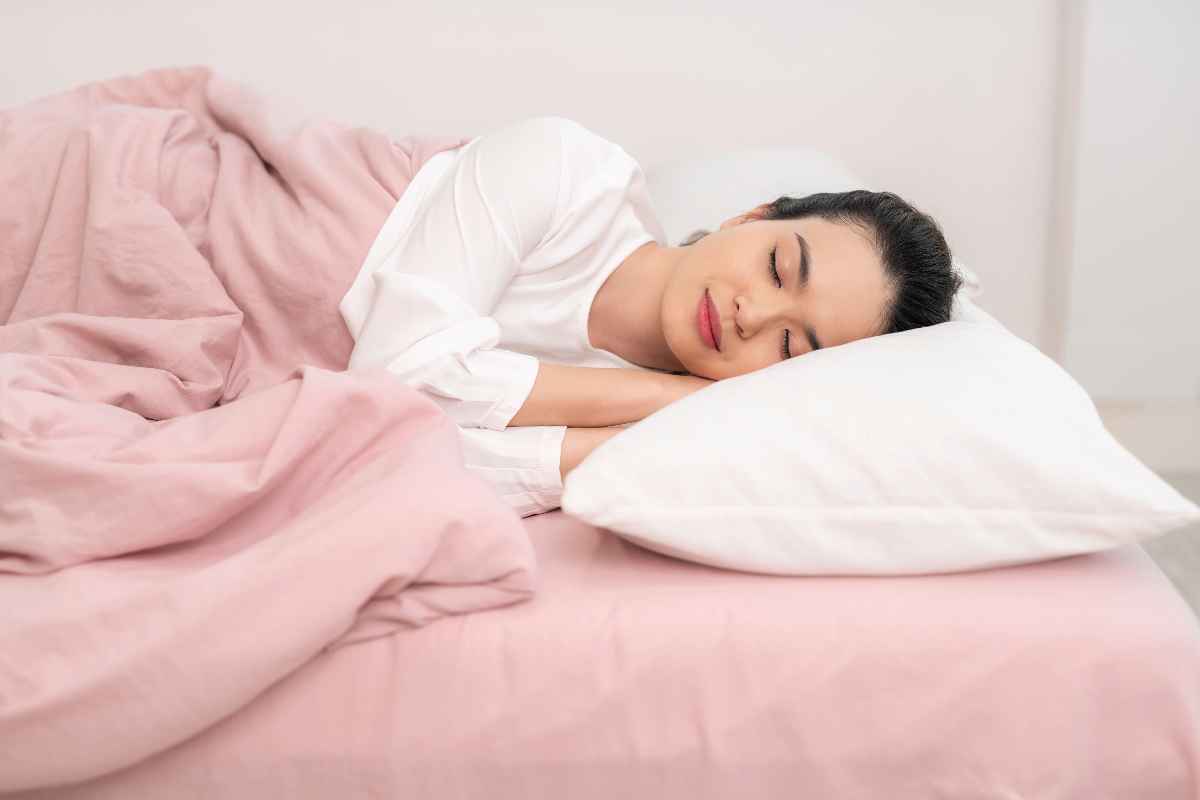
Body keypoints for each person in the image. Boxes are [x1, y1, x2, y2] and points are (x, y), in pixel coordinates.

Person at [339, 116, 961, 518]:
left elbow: (396, 472)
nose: (754, 315)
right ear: (752, 216)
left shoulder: (663, 433)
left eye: (792, 346)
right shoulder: (570, 173)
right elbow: (389, 387)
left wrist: (638, 437)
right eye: (777, 265)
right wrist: (670, 397)